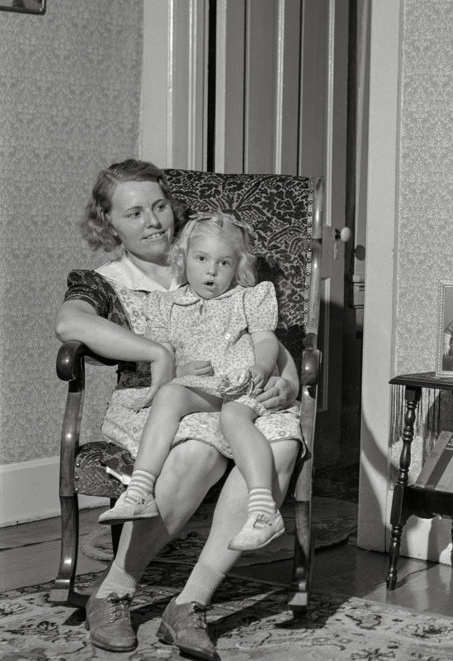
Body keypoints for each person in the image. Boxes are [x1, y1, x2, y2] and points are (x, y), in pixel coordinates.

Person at [55, 159, 303, 660]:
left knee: (281, 444)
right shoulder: (108, 281)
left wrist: (286, 382)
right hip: (160, 403)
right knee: (198, 451)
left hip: (235, 393)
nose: (152, 221)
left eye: (160, 206)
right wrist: (157, 352)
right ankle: (115, 590)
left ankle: (189, 605)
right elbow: (69, 324)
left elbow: (264, 337)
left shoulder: (209, 253)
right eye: (134, 212)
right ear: (109, 223)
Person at [98, 211, 288, 552]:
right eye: (201, 259)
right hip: (203, 389)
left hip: (243, 385)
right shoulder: (167, 305)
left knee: (234, 416)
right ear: (183, 259)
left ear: (238, 267)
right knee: (169, 394)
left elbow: (265, 339)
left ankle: (263, 510)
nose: (212, 271)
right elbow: (163, 355)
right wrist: (179, 369)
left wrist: (262, 365)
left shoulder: (248, 298)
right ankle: (140, 489)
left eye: (224, 262)